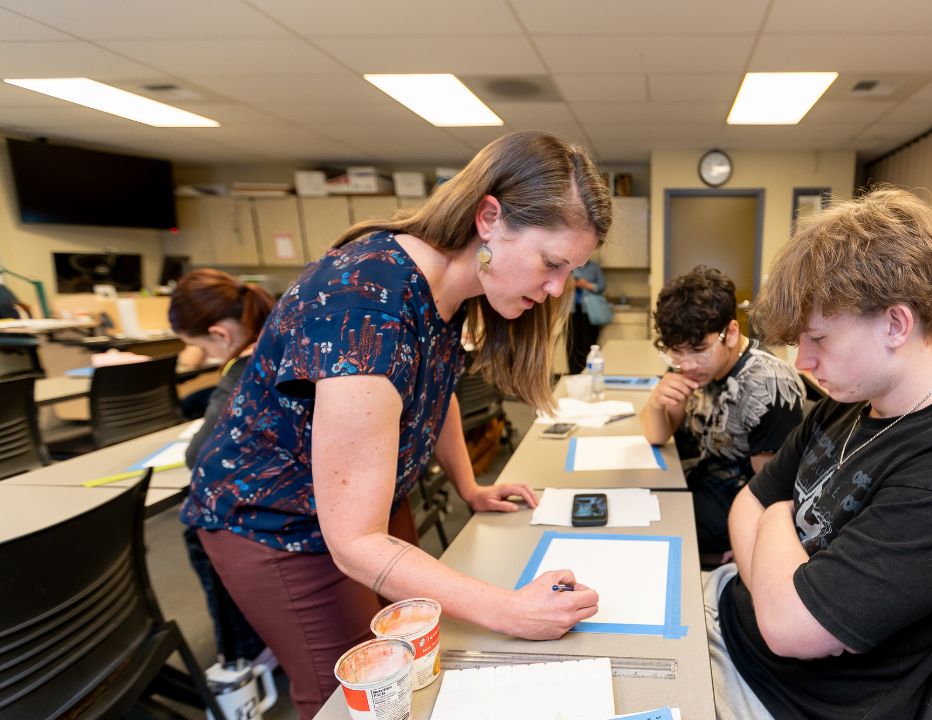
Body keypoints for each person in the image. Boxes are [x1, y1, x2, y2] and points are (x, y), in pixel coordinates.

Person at [185, 130, 610, 718]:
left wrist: (469, 486)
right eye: (552, 263)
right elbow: (354, 542)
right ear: (490, 218)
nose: (559, 287)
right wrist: (509, 610)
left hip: (366, 504)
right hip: (273, 520)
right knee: (352, 692)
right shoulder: (365, 302)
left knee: (414, 658)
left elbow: (435, 392)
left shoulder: (450, 290)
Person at [708, 188, 932, 719]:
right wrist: (773, 583)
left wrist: (774, 515)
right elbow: (743, 503)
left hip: (778, 696)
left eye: (818, 339)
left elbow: (789, 629)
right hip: (728, 612)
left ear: (895, 324)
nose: (805, 362)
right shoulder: (847, 404)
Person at [640, 265, 804, 559]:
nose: (686, 364)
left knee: (641, 537)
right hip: (695, 483)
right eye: (676, 352)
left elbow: (773, 492)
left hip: (730, 509)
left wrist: (746, 547)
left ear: (730, 333)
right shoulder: (693, 363)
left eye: (698, 349)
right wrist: (656, 402)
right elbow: (657, 435)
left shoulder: (766, 385)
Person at [168, 269, 276, 667]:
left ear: (221, 335)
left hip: (282, 510)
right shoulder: (286, 342)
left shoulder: (241, 370)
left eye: (203, 347)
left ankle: (241, 653)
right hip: (309, 488)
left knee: (197, 526)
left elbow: (200, 455)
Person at [565, 257, 609, 374]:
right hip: (571, 311)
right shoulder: (568, 266)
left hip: (589, 312)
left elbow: (601, 286)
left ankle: (588, 372)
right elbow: (561, 287)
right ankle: (573, 374)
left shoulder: (594, 267)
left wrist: (586, 285)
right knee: (572, 345)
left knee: (588, 343)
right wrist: (571, 284)